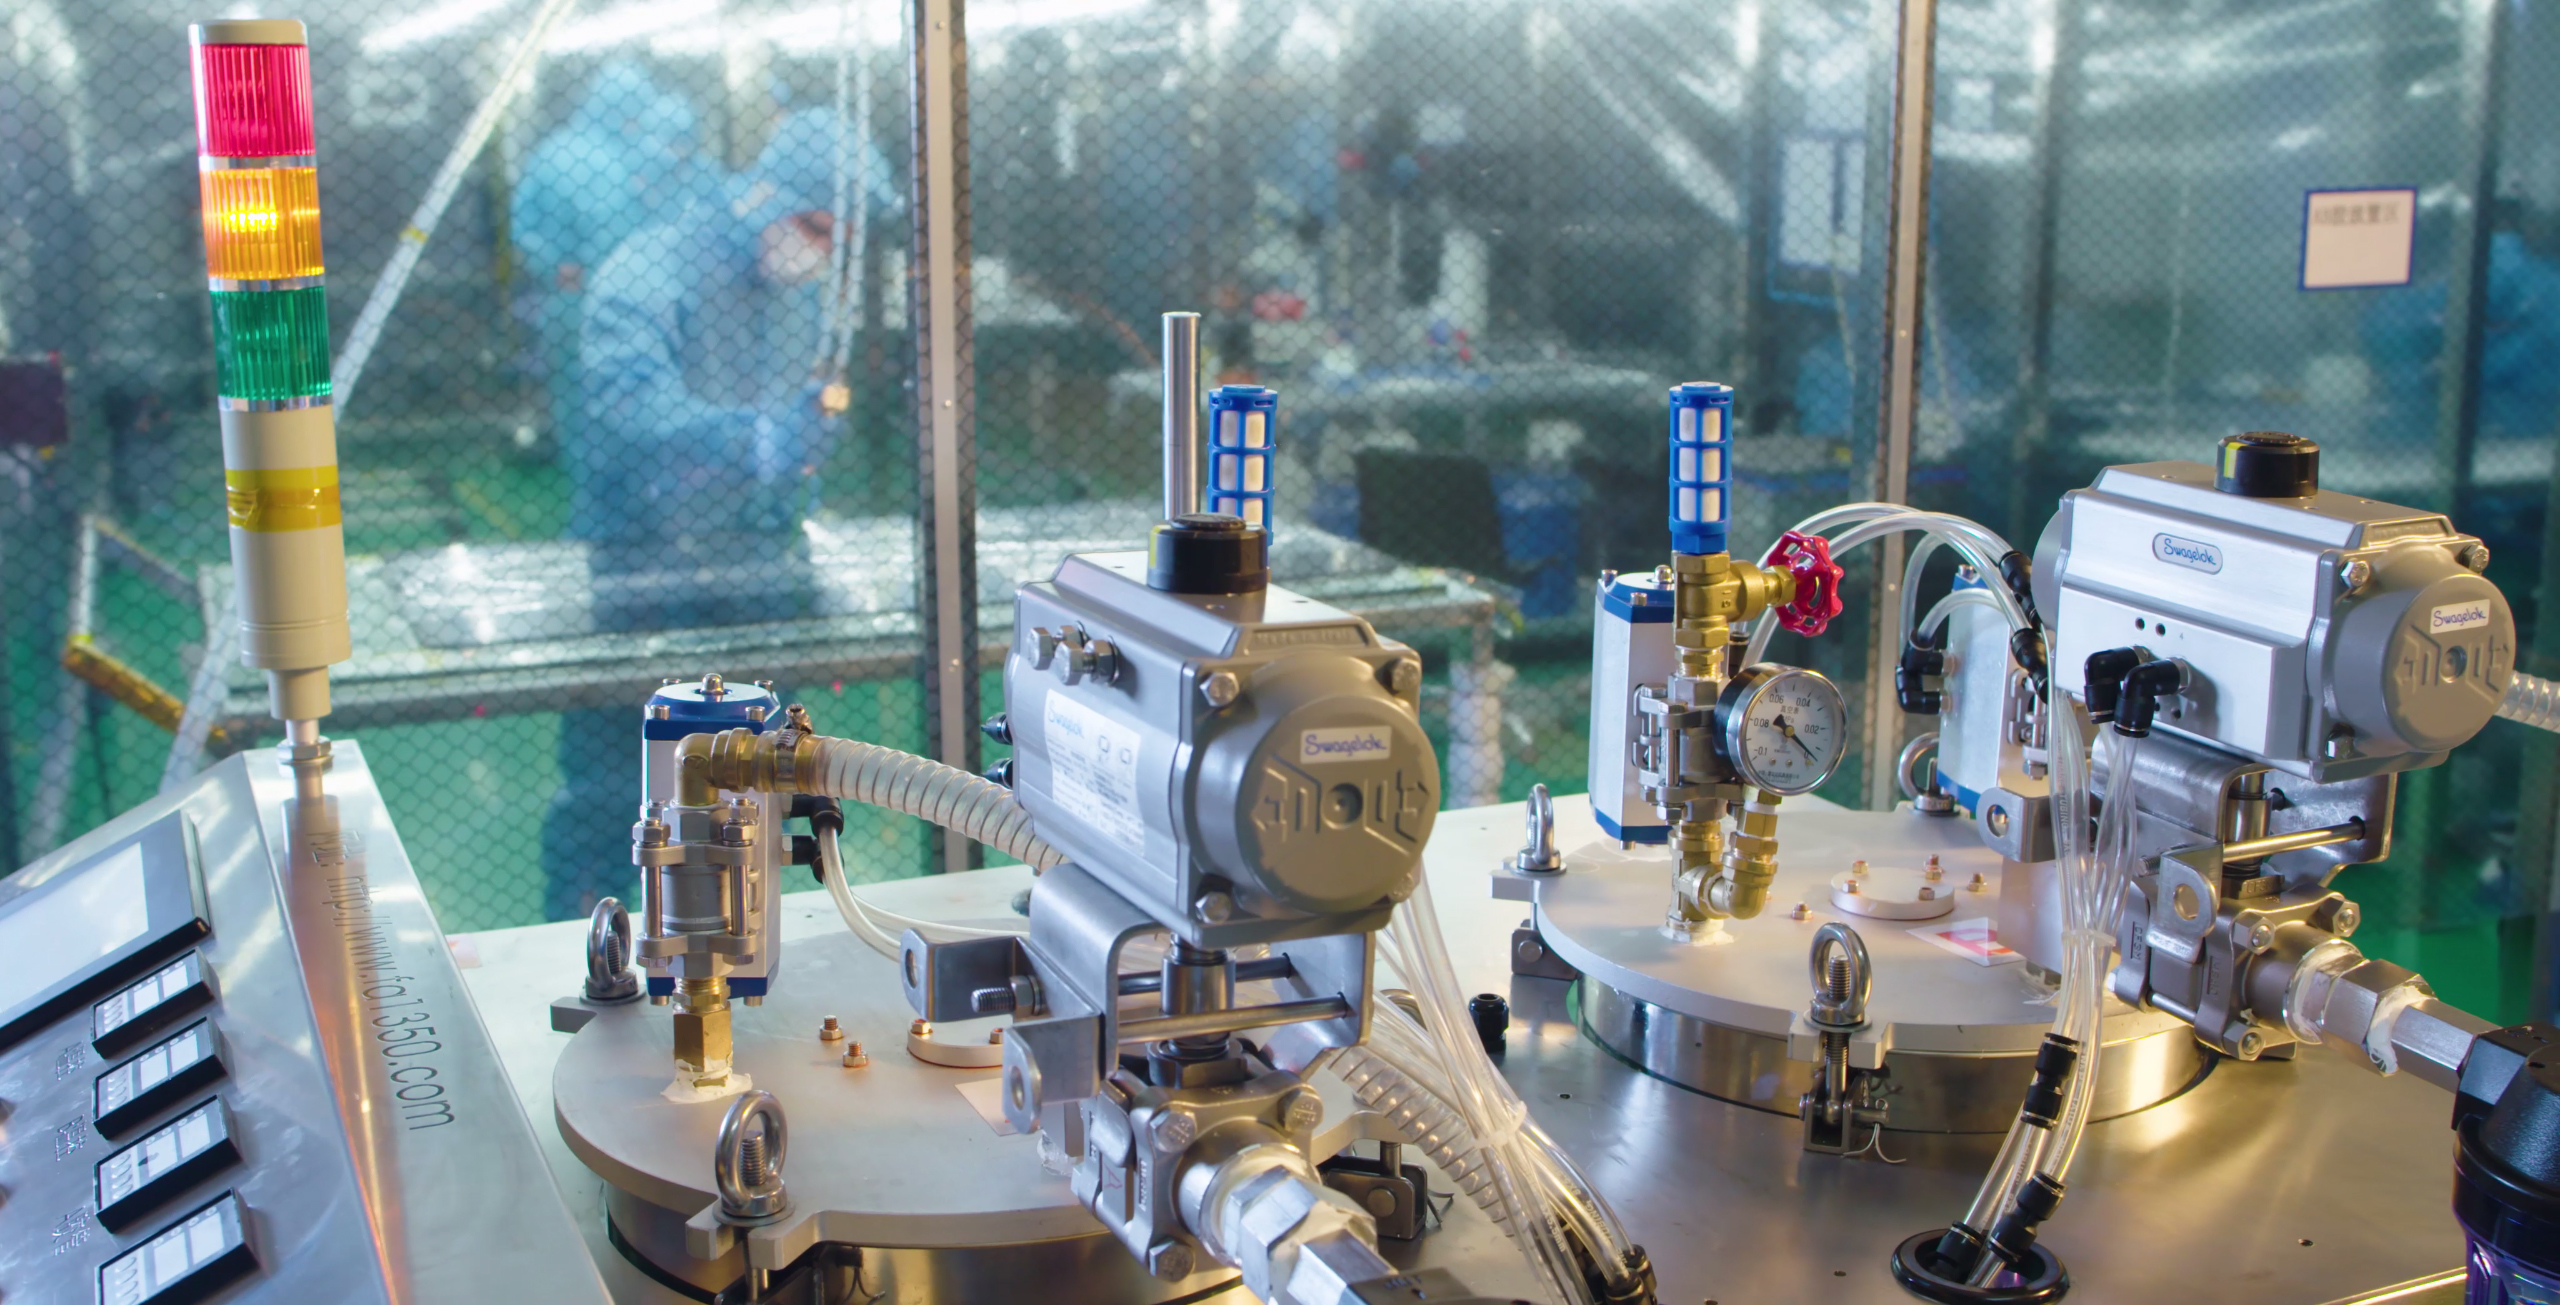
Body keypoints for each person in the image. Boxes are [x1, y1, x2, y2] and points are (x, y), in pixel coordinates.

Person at [538, 108, 894, 921]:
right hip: (645, 571)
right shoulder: (650, 273)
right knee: (614, 786)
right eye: (814, 227)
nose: (821, 251)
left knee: (752, 786)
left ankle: (736, 935)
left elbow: (797, 407)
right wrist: (753, 442)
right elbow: (627, 410)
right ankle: (587, 942)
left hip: (757, 573)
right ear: (766, 197)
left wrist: (801, 450)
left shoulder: (794, 294)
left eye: (840, 238)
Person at [512, 62, 707, 490]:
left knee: (581, 400)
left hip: (582, 299)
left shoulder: (559, 153)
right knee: (632, 397)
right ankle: (627, 492)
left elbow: (523, 226)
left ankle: (597, 490)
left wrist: (553, 266)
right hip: (626, 300)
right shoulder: (632, 156)